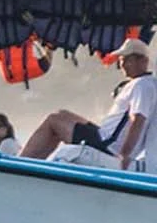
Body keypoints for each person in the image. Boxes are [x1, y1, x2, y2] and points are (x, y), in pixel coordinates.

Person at [21, 37, 155, 170]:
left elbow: (138, 119)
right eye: (121, 60)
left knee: (54, 120)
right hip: (104, 137)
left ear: (143, 61)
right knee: (61, 115)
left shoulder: (142, 85)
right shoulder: (144, 84)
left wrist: (125, 155)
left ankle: (21, 164)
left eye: (128, 60)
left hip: (108, 145)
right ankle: (32, 164)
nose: (123, 65)